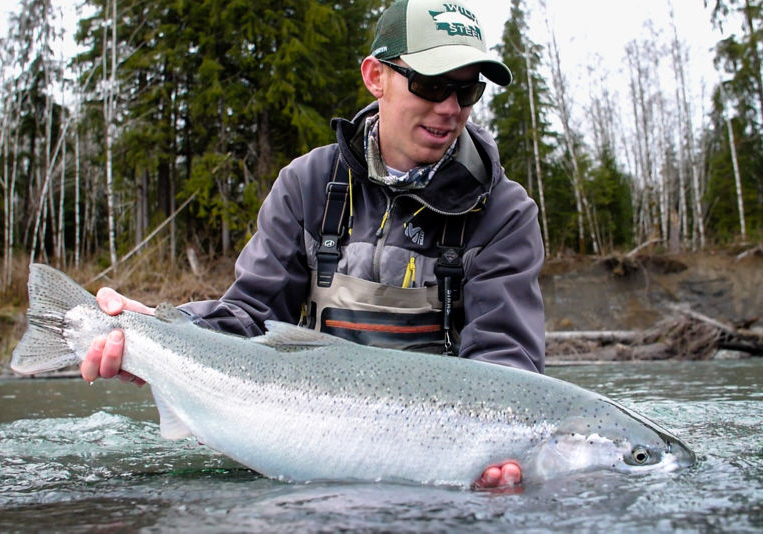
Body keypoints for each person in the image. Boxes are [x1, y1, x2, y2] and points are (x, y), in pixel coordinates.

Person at [81, 0, 545, 490]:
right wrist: (160, 333)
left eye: (467, 89)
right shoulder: (308, 183)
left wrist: (504, 449)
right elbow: (252, 315)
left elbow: (506, 361)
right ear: (376, 77)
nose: (450, 108)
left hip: (432, 461)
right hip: (297, 439)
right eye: (430, 84)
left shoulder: (505, 213)